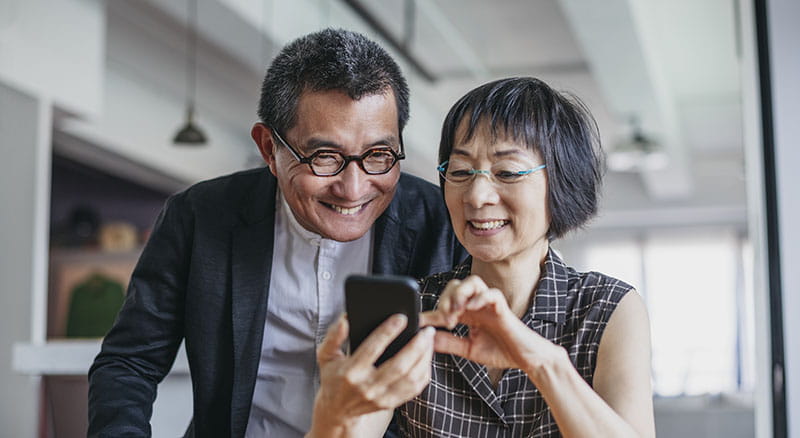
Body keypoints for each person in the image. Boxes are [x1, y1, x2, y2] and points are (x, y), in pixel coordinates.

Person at [88, 28, 466, 438]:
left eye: (378, 155)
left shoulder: (441, 221)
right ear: (269, 148)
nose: (354, 189)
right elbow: (130, 362)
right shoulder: (199, 217)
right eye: (325, 157)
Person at [308, 77, 655, 437]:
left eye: (506, 172)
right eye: (459, 172)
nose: (476, 195)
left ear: (563, 181)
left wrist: (543, 363)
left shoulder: (607, 308)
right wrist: (333, 415)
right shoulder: (417, 310)